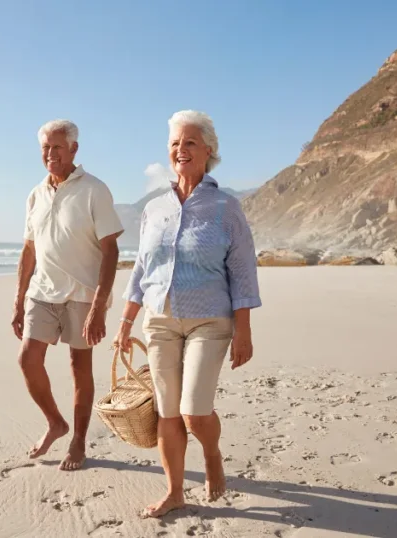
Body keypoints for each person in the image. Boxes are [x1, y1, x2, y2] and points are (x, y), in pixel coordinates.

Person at [112, 110, 261, 517]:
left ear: (208, 151)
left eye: (190, 142)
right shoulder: (155, 209)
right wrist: (126, 322)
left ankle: (211, 454)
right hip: (159, 320)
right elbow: (142, 268)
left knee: (195, 411)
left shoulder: (226, 208)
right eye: (175, 143)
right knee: (167, 411)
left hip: (210, 321)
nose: (181, 149)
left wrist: (243, 331)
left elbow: (243, 272)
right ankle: (175, 491)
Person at [12, 119, 124, 471]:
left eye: (57, 147)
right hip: (42, 291)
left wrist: (99, 306)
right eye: (45, 147)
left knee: (80, 367)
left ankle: (78, 439)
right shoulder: (36, 193)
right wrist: (18, 300)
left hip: (82, 293)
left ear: (74, 149)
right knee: (28, 360)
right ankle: (56, 423)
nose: (50, 154)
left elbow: (111, 250)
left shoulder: (94, 189)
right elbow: (29, 250)